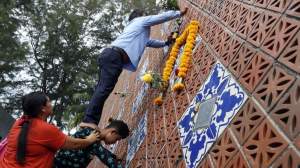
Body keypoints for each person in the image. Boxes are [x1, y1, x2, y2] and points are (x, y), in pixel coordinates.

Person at [82, 7, 188, 126]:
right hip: (114, 56)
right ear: (140, 15)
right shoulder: (140, 21)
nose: (147, 15)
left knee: (102, 89)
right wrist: (179, 13)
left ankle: (90, 120)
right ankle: (89, 121)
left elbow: (149, 42)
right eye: (145, 14)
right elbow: (159, 18)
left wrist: (165, 43)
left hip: (110, 55)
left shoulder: (135, 30)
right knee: (104, 89)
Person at [0, 92, 100, 168]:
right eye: (48, 101)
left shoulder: (20, 122)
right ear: (43, 109)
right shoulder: (44, 129)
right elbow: (75, 144)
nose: (51, 104)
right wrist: (90, 139)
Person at [54, 118, 130, 168]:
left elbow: (101, 150)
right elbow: (107, 159)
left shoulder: (94, 134)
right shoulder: (93, 136)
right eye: (117, 139)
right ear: (113, 132)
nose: (114, 142)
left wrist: (115, 157)